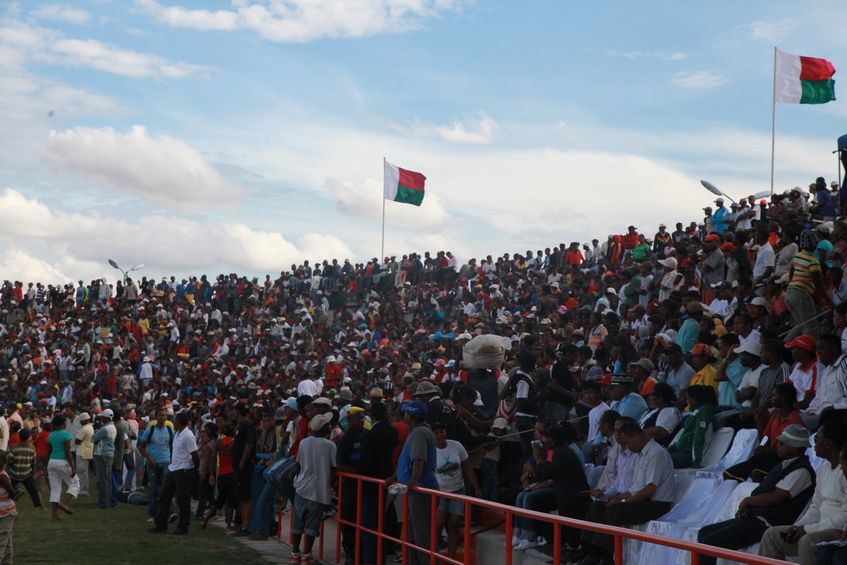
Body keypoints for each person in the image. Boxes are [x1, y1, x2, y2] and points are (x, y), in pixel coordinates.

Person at [696, 424, 816, 565]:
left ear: (794, 448)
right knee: (704, 533)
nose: (778, 445)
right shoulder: (785, 464)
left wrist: (747, 501)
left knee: (711, 542)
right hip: (757, 516)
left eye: (782, 443)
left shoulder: (802, 471)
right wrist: (747, 507)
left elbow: (774, 498)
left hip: (768, 522)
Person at [577, 421, 675, 565]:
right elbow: (635, 488)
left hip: (657, 504)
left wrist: (623, 502)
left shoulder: (656, 453)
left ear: (636, 436)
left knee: (615, 511)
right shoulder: (641, 454)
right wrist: (617, 497)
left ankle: (605, 557)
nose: (627, 447)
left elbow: (649, 489)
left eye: (628, 443)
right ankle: (589, 551)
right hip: (643, 499)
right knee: (598, 506)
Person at [759, 422, 847, 564]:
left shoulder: (845, 472)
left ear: (828, 444)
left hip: (837, 531)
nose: (813, 444)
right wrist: (798, 526)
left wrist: (808, 529)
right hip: (818, 528)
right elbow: (815, 508)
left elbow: (844, 517)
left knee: (807, 541)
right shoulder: (823, 470)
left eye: (817, 439)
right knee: (771, 536)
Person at [387, 400, 438, 565]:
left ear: (410, 416)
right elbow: (406, 460)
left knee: (421, 536)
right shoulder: (416, 431)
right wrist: (395, 477)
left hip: (419, 488)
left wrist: (414, 480)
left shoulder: (419, 433)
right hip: (412, 488)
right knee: (410, 535)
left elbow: (418, 458)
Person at [291, 412, 336, 565]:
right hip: (319, 490)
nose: (330, 426)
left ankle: (294, 552)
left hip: (301, 488)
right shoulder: (331, 445)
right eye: (328, 425)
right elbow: (333, 469)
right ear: (324, 429)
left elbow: (298, 464)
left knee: (297, 522)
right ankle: (306, 555)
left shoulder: (304, 442)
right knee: (312, 524)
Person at [432, 421, 479, 557]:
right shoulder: (430, 450)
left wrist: (476, 487)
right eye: (436, 433)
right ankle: (433, 556)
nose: (440, 434)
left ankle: (451, 558)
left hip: (458, 490)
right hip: (439, 491)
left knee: (454, 525)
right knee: (438, 525)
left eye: (442, 431)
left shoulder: (457, 446)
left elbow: (468, 468)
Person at [151, 411, 198, 535]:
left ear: (180, 422)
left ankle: (183, 527)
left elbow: (194, 454)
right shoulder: (177, 433)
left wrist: (195, 469)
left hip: (184, 469)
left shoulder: (188, 435)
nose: (173, 421)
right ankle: (161, 525)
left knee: (183, 500)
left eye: (175, 420)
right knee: (164, 495)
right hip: (173, 468)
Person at [138, 407, 174, 522]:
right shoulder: (150, 430)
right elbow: (141, 447)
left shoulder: (170, 431)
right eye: (160, 415)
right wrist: (148, 458)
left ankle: (169, 512)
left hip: (166, 463)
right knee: (153, 490)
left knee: (166, 489)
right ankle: (153, 514)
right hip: (152, 464)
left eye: (164, 415)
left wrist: (171, 459)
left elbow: (174, 446)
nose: (162, 417)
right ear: (156, 417)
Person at [668, 385, 716, 468]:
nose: (686, 402)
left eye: (687, 398)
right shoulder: (698, 411)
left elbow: (699, 435)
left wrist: (696, 461)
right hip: (679, 450)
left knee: (657, 460)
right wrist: (673, 447)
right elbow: (687, 434)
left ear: (693, 399)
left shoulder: (704, 410)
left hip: (687, 455)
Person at [46, 413, 79, 521]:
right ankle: (62, 504)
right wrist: (72, 467)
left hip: (52, 462)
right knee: (75, 484)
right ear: (63, 424)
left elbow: (49, 451)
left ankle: (54, 516)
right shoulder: (66, 435)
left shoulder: (51, 435)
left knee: (55, 489)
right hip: (63, 462)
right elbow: (68, 452)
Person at [230, 403, 257, 537]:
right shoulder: (239, 426)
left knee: (245, 497)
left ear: (238, 412)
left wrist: (242, 462)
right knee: (240, 496)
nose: (232, 413)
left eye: (234, 411)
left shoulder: (248, 426)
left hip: (244, 467)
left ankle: (246, 527)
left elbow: (249, 444)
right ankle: (243, 525)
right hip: (237, 466)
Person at [8, 427, 41, 509]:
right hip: (26, 474)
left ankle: (11, 497)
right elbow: (33, 462)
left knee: (8, 488)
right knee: (33, 490)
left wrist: (12, 467)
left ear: (19, 436)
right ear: (29, 436)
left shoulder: (15, 447)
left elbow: (9, 460)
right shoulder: (32, 447)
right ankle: (37, 504)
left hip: (14, 474)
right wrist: (31, 472)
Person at [91, 409, 116, 509]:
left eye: (102, 417)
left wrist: (96, 430)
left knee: (103, 479)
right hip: (110, 454)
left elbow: (93, 438)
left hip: (103, 454)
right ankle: (108, 500)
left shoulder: (105, 428)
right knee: (108, 479)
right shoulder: (113, 427)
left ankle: (104, 502)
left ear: (106, 418)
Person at [0, 450, 16, 564]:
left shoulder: (2, 477)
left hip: (6, 513)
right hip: (5, 511)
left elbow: (12, 493)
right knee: (6, 539)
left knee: (2, 540)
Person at [74, 412, 94, 497]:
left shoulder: (84, 429)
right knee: (84, 472)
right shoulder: (90, 427)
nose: (80, 422)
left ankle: (83, 491)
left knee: (82, 473)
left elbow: (77, 441)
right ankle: (83, 490)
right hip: (87, 452)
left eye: (81, 421)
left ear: (85, 420)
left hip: (82, 452)